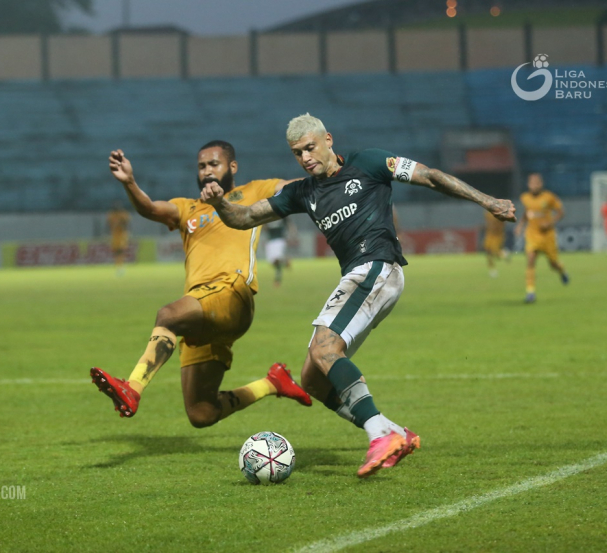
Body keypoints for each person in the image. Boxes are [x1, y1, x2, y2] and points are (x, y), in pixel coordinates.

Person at [201, 113, 515, 477]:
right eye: (297, 153)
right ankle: (396, 432)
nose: (305, 158)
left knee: (324, 349)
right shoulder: (303, 192)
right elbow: (245, 217)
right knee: (313, 378)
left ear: (328, 139)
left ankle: (378, 432)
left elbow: (429, 176)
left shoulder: (369, 162)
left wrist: (487, 201)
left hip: (378, 267)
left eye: (309, 148)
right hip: (360, 275)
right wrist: (220, 203)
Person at [90, 141, 312, 428]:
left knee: (169, 315)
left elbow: (299, 185)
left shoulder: (255, 190)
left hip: (233, 293)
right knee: (201, 412)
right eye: (202, 166)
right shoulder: (187, 208)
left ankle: (132, 388)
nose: (207, 170)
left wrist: (334, 170)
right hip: (203, 310)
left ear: (232, 167)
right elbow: (149, 208)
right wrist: (130, 182)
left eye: (214, 164)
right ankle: (273, 382)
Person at [513, 173, 569, 304]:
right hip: (532, 234)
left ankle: (562, 270)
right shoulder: (525, 198)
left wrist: (550, 223)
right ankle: (530, 292)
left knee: (553, 264)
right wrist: (520, 226)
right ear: (528, 184)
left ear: (541, 184)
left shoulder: (549, 197)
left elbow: (561, 212)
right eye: (532, 183)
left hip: (547, 235)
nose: (534, 185)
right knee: (531, 259)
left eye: (536, 183)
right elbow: (527, 213)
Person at [263, 218, 296, 287]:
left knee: (277, 261)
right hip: (270, 241)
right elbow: (264, 226)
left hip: (280, 239)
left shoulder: (281, 213)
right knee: (272, 262)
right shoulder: (267, 214)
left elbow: (289, 224)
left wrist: (292, 234)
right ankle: (285, 261)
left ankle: (277, 280)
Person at [106, 201, 131, 275]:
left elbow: (127, 224)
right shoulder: (111, 215)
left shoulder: (123, 214)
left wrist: (127, 231)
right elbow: (108, 225)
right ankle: (118, 264)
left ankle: (121, 265)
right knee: (116, 251)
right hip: (114, 235)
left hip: (122, 234)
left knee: (121, 250)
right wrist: (107, 233)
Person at [482, 209, 509, 277]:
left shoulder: (499, 214)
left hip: (497, 236)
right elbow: (488, 224)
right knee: (488, 252)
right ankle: (492, 270)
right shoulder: (487, 214)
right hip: (489, 235)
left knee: (496, 253)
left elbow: (503, 224)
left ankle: (504, 254)